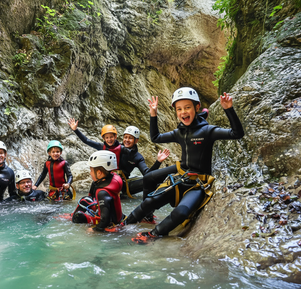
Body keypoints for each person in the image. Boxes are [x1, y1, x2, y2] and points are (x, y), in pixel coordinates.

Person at [126, 88, 244, 244]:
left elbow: (236, 134)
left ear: (197, 107)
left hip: (198, 183)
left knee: (181, 211)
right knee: (149, 201)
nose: (183, 112)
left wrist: (229, 109)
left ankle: (153, 234)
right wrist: (153, 113)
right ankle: (124, 224)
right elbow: (155, 137)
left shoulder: (208, 131)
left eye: (187, 107)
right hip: (181, 177)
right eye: (179, 109)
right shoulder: (179, 132)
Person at [72, 151, 124, 231]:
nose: (90, 173)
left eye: (91, 170)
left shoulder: (102, 193)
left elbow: (105, 220)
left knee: (77, 216)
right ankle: (71, 215)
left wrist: (94, 229)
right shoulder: (114, 177)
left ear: (99, 173)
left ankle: (72, 217)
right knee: (85, 200)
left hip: (109, 222)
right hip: (114, 215)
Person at [119, 125, 170, 196]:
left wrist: (158, 162)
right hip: (107, 179)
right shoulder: (116, 147)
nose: (127, 140)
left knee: (151, 181)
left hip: (123, 186)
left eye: (130, 138)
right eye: (125, 137)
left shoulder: (138, 157)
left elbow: (147, 175)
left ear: (136, 140)